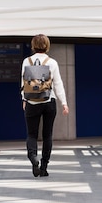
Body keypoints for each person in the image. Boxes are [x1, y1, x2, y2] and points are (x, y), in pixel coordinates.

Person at [21, 34, 69, 177]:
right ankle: (44, 167)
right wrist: (64, 103)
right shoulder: (52, 62)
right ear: (47, 45)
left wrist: (24, 99)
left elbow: (23, 82)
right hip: (49, 101)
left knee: (31, 134)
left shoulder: (26, 61)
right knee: (47, 135)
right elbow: (58, 84)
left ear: (33, 45)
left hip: (31, 102)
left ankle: (33, 159)